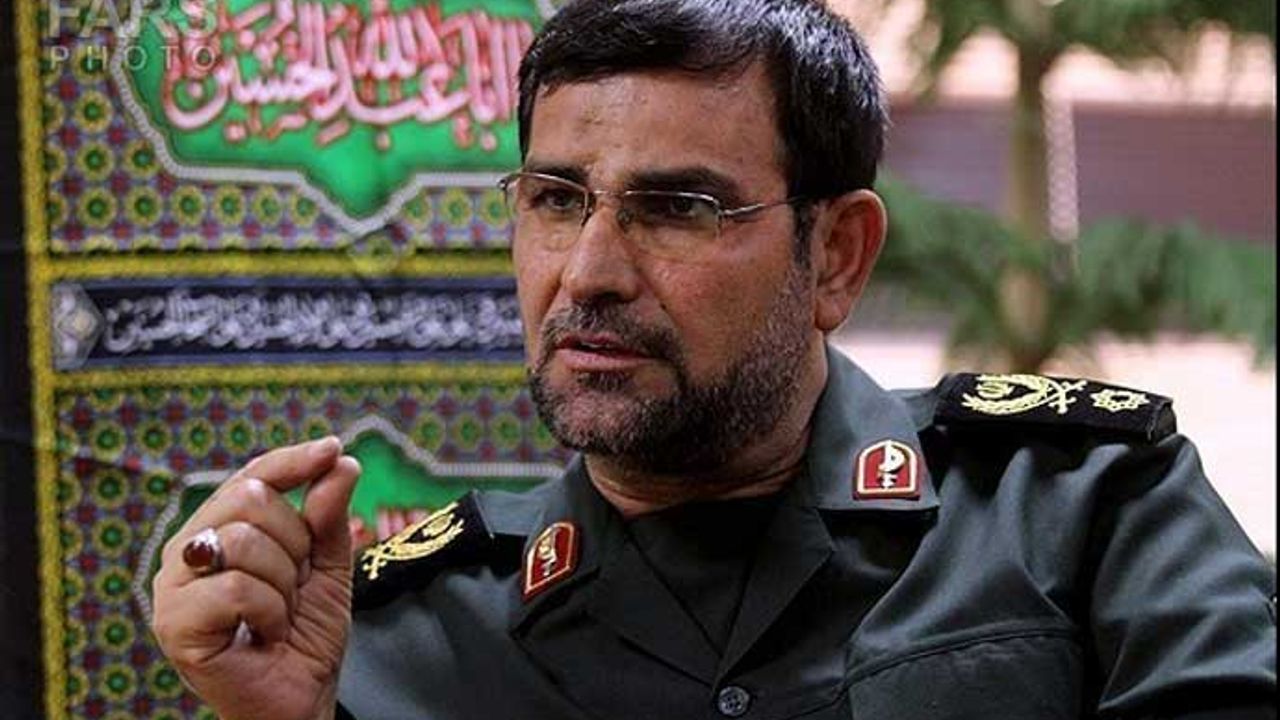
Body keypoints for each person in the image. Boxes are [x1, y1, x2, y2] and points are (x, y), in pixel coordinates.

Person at [149, 0, 1277, 718]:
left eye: (677, 208)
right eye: (555, 200)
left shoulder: (1082, 508)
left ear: (836, 256)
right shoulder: (404, 635)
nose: (587, 272)